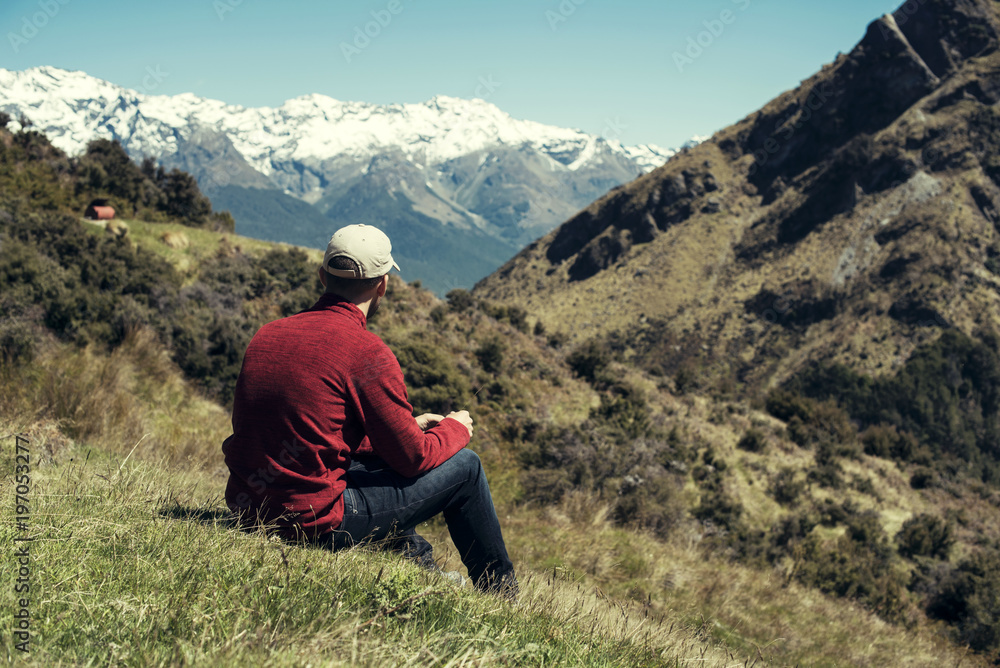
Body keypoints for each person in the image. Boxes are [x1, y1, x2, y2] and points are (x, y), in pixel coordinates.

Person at [222, 224, 516, 597]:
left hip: (251, 509)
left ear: (322, 276)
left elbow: (307, 432)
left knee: (381, 463)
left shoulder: (268, 334)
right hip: (312, 524)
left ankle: (419, 564)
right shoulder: (367, 352)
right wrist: (455, 428)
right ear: (383, 285)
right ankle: (501, 595)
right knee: (467, 467)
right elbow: (414, 458)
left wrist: (406, 426)